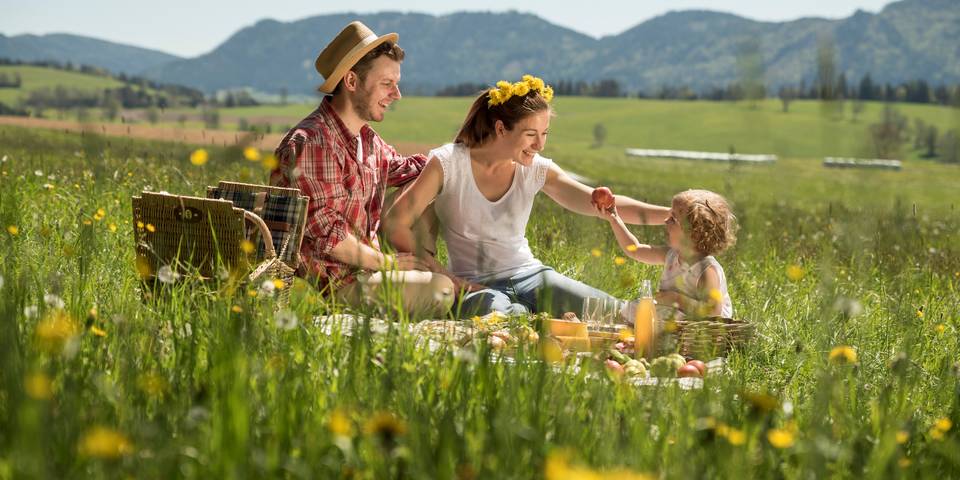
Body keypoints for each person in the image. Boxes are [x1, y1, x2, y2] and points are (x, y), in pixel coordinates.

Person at [384, 75, 669, 317]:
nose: (540, 145)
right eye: (531, 134)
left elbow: (603, 205)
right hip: (475, 285)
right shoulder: (449, 162)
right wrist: (442, 274)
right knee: (505, 322)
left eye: (545, 133)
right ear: (500, 129)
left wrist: (672, 216)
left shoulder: (534, 170)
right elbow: (396, 220)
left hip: (533, 277)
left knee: (614, 313)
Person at [269, 21, 453, 315]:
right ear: (352, 82)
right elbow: (329, 238)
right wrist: (389, 264)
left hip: (364, 275)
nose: (397, 94)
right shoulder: (314, 141)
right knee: (440, 291)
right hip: (325, 289)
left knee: (442, 282)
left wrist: (458, 153)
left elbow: (411, 168)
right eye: (386, 84)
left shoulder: (369, 142)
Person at [601, 189, 737, 318]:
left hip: (699, 327)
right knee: (636, 308)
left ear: (693, 232)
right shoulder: (672, 255)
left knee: (660, 315)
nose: (665, 221)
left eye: (673, 218)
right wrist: (615, 219)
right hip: (672, 317)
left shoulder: (706, 270)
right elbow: (635, 249)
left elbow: (713, 312)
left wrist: (676, 300)